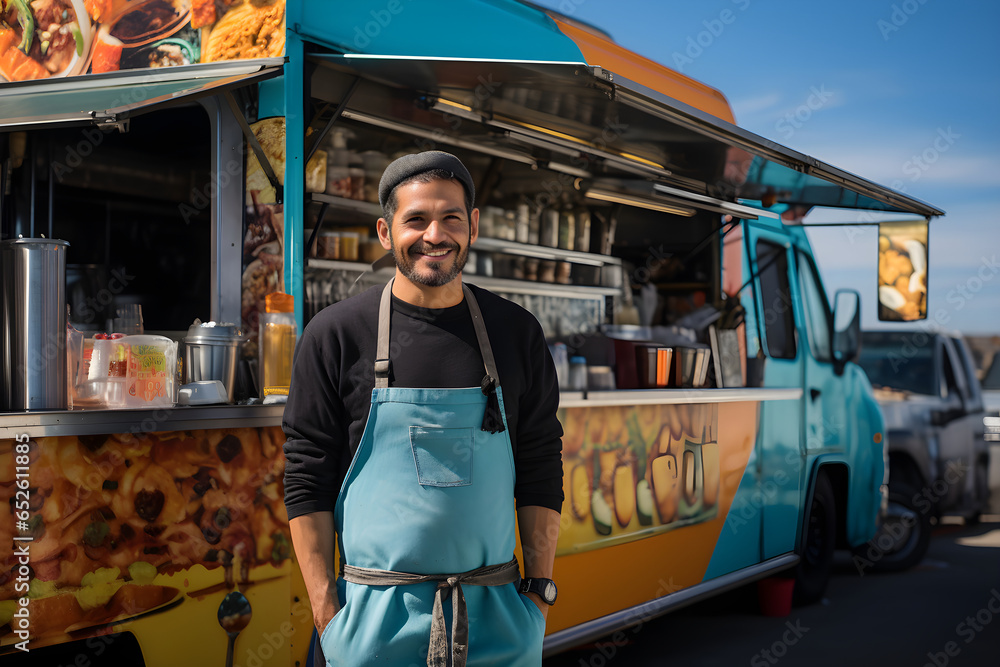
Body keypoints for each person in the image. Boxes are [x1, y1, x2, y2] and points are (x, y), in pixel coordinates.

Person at [283, 151, 564, 667]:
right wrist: (329, 618)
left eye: (450, 217)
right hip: (369, 630)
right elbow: (307, 480)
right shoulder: (335, 335)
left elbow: (541, 466)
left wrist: (538, 596)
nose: (435, 234)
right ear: (386, 233)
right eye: (416, 219)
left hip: (497, 624)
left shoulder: (517, 333)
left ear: (473, 225)